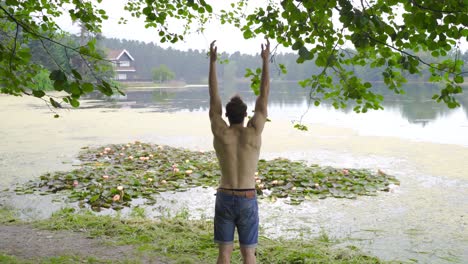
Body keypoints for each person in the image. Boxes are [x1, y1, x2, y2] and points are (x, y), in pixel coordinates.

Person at [208, 39, 270, 264]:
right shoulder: (253, 133)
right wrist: (265, 61)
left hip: (225, 195)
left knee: (224, 254)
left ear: (227, 114)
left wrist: (212, 63)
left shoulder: (220, 132)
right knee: (248, 254)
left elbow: (213, 98)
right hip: (247, 197)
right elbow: (263, 96)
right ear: (246, 115)